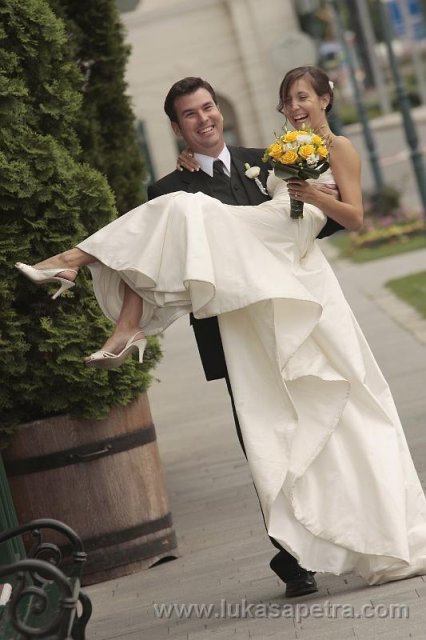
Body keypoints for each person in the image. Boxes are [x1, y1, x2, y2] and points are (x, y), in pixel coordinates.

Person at [16, 66, 426, 592]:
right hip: (235, 329)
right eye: (190, 114)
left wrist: (309, 196)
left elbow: (328, 222)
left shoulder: (269, 158)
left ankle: (84, 276)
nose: (204, 119)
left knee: (328, 417)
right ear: (176, 128)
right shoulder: (172, 183)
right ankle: (295, 552)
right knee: (266, 438)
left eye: (208, 107)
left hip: (289, 295)